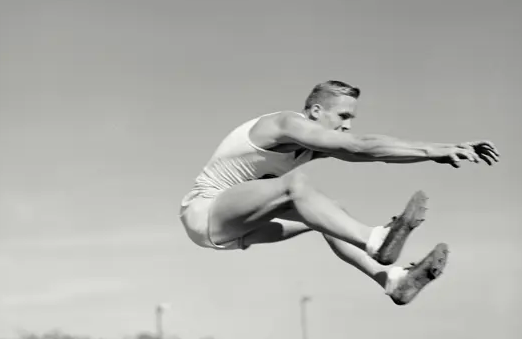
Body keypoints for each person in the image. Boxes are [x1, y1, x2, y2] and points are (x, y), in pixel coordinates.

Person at [178, 80, 499, 305]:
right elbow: (357, 145)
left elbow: (374, 151)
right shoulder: (286, 124)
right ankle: (375, 240)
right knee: (296, 186)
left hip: (235, 230)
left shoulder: (305, 146)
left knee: (329, 212)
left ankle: (392, 280)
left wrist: (444, 149)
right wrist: (432, 150)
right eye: (343, 116)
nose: (347, 125)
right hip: (205, 212)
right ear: (316, 111)